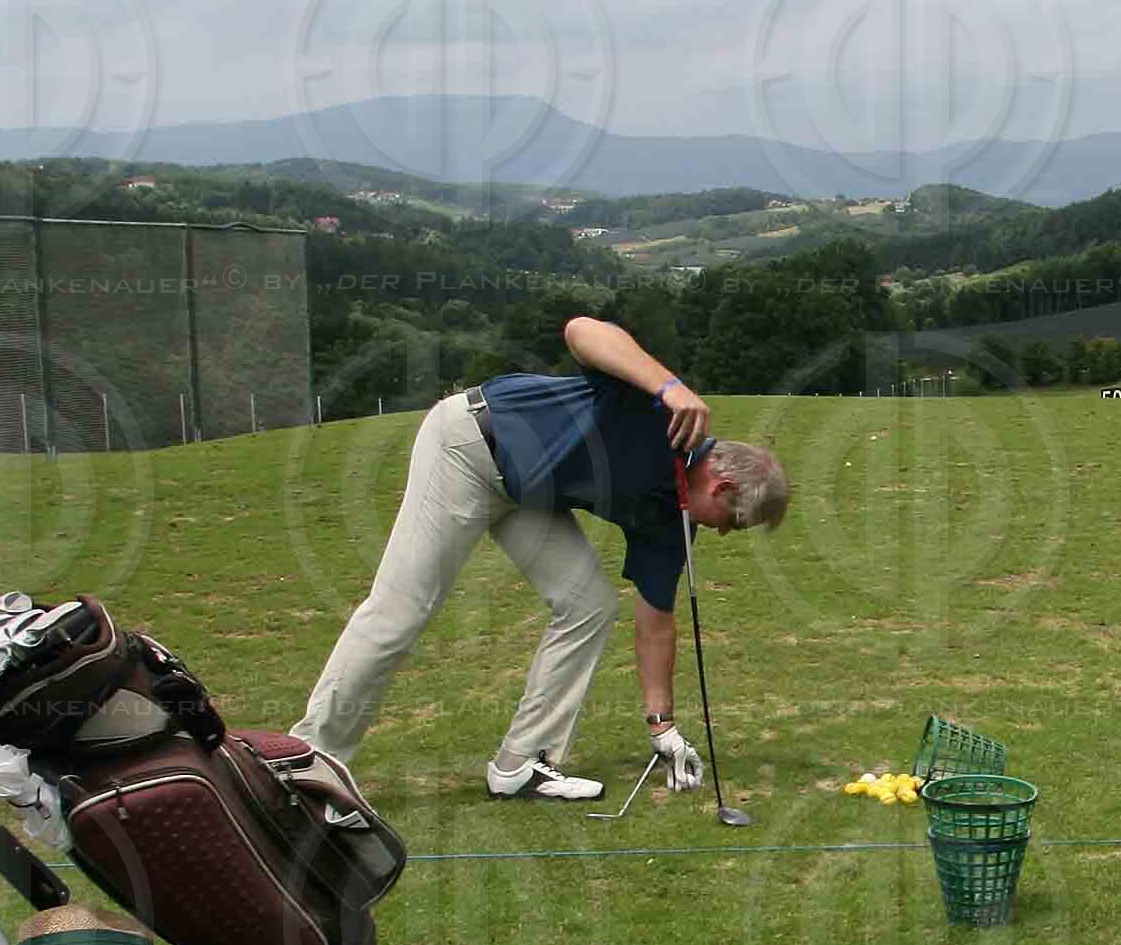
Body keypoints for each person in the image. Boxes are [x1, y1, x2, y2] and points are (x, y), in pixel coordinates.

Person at [295, 317, 789, 799]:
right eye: (734, 521)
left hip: (527, 494)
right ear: (721, 486)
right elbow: (581, 330)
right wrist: (670, 387)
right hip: (468, 446)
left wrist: (663, 727)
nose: (724, 532)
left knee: (589, 604)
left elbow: (656, 620)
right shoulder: (658, 412)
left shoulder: (674, 523)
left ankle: (522, 763)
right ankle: (309, 760)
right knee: (401, 610)